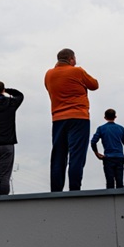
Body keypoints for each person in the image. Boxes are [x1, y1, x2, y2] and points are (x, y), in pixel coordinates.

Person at [45, 48, 99, 191]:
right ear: (71, 59)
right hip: (79, 117)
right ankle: (74, 190)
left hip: (58, 119)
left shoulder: (49, 74)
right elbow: (94, 85)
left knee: (58, 156)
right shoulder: (77, 71)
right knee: (76, 155)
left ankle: (56, 191)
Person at [91, 108, 124, 189]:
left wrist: (96, 153)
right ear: (115, 117)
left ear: (105, 117)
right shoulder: (121, 128)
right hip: (119, 157)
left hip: (108, 157)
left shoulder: (101, 128)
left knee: (109, 183)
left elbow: (93, 142)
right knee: (120, 182)